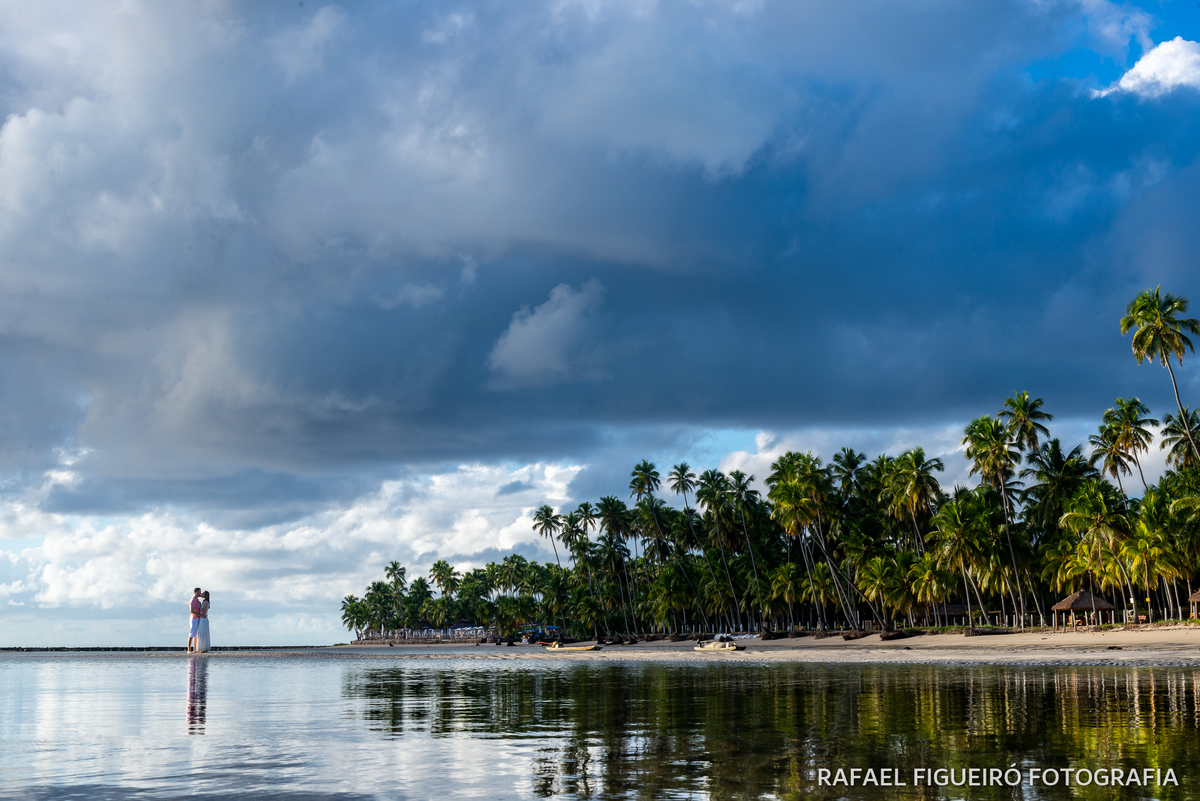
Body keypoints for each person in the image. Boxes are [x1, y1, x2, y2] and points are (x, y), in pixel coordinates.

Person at [187, 588, 203, 653]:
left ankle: (195, 649)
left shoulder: (197, 600)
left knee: (195, 634)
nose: (200, 593)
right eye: (199, 592)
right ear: (196, 592)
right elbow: (192, 610)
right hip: (194, 618)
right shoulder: (193, 600)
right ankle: (189, 649)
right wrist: (200, 615)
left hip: (197, 618)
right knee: (192, 633)